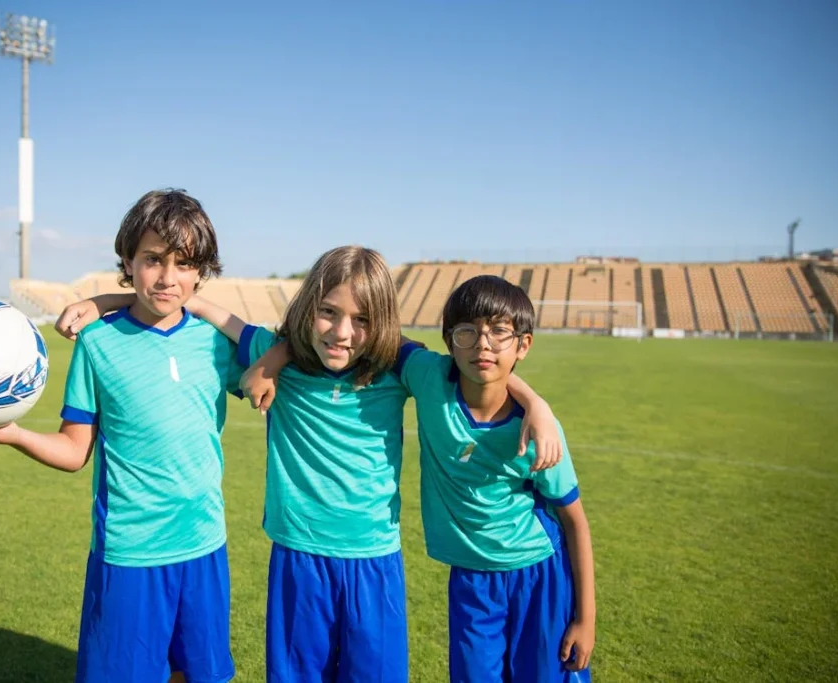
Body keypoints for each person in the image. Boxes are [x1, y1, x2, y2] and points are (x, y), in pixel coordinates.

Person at [56, 246, 563, 682]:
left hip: (374, 561)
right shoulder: (281, 356)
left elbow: (476, 368)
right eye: (328, 312)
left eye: (361, 319)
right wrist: (109, 300)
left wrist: (534, 401)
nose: (343, 332)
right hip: (298, 559)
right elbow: (187, 304)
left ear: (380, 323)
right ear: (307, 311)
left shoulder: (399, 367)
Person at [0, 189, 240, 683]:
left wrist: (105, 298)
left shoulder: (216, 344)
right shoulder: (97, 343)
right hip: (131, 551)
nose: (167, 276)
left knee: (196, 673)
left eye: (184, 263)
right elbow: (75, 451)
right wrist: (11, 436)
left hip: (205, 544)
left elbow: (285, 351)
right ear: (128, 260)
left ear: (202, 270)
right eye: (153, 260)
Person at [394, 274, 595, 682]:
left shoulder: (540, 432)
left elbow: (575, 522)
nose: (483, 344)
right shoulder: (429, 378)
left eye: (500, 331)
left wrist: (585, 619)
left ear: (524, 344)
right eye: (468, 332)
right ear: (449, 340)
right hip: (471, 579)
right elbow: (382, 335)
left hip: (537, 572)